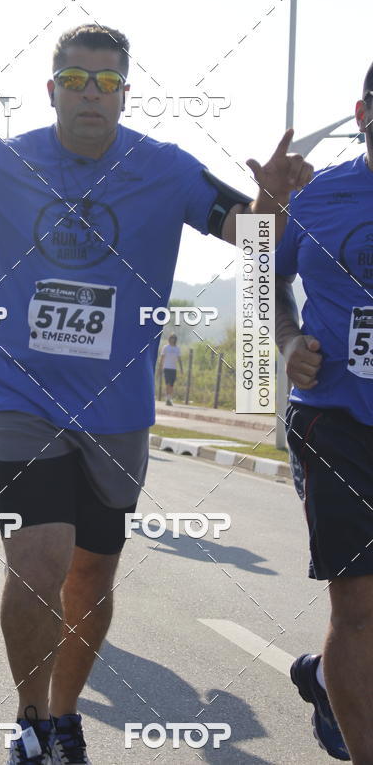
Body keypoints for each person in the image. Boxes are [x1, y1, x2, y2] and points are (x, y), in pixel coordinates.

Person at [0, 24, 311, 764]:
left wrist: (271, 198)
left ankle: (63, 716)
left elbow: (254, 236)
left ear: (125, 92)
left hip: (117, 410)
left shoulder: (166, 168)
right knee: (39, 561)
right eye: (78, 81)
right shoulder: (2, 162)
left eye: (108, 82)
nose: (93, 94)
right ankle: (29, 724)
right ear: (51, 89)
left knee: (91, 574)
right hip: (20, 397)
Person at [276, 65, 373, 764]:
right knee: (359, 607)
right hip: (334, 423)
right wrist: (287, 341)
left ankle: (325, 680)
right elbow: (263, 272)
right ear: (363, 114)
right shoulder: (319, 196)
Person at [159, 333, 183, 405]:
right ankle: (167, 398)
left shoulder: (177, 349)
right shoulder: (166, 347)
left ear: (175, 340)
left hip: (173, 368)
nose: (173, 339)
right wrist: (160, 368)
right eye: (172, 338)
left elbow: (179, 359)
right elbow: (162, 358)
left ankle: (169, 398)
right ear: (169, 339)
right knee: (167, 383)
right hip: (166, 368)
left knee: (172, 384)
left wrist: (181, 369)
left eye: (174, 338)